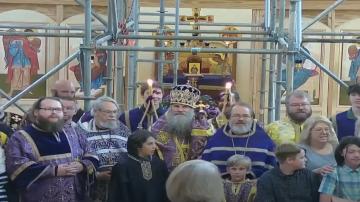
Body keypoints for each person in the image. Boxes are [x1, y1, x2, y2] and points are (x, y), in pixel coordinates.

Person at [5, 97, 98, 202]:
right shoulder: (21, 137)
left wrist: (82, 165)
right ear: (36, 112)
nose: (54, 112)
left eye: (58, 109)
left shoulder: (74, 132)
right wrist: (54, 171)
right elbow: (16, 166)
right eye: (48, 109)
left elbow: (91, 153)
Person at [75, 96, 131, 202]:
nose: (112, 115)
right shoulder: (81, 131)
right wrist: (96, 175)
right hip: (93, 187)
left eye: (115, 112)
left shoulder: (122, 129)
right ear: (95, 112)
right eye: (108, 112)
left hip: (120, 184)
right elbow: (77, 160)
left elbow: (132, 153)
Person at [202, 102, 276, 178]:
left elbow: (272, 170)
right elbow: (205, 167)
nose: (241, 119)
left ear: (252, 119)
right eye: (236, 115)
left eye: (245, 116)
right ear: (229, 118)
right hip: (220, 187)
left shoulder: (264, 140)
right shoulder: (216, 140)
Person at [152, 83, 213, 171]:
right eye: (176, 106)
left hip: (195, 175)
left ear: (192, 109)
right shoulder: (159, 127)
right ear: (170, 108)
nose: (180, 110)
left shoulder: (202, 128)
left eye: (185, 107)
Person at [108, 129, 169, 202]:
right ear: (138, 146)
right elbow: (117, 196)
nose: (154, 147)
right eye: (150, 144)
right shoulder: (122, 167)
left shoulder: (159, 164)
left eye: (154, 143)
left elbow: (166, 192)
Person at [254, 143, 321, 202]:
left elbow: (317, 199)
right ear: (289, 160)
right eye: (302, 157)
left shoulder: (310, 176)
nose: (306, 160)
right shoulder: (267, 179)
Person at [319, 136, 360, 202]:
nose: (357, 155)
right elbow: (324, 199)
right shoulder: (332, 171)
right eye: (351, 152)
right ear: (341, 153)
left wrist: (334, 199)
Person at [3, 29, 40, 95]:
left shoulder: (29, 43)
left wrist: (34, 50)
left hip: (26, 62)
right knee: (15, 77)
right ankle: (12, 91)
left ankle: (26, 90)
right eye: (29, 35)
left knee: (26, 77)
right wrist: (17, 46)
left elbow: (32, 52)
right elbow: (12, 52)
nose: (30, 37)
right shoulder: (15, 41)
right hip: (17, 62)